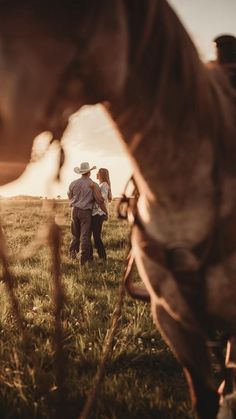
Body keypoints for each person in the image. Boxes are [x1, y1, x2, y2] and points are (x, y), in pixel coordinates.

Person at [67, 162, 106, 265]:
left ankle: (72, 256)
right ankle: (83, 260)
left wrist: (74, 202)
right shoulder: (93, 184)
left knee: (75, 235)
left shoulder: (73, 183)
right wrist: (105, 211)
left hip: (74, 210)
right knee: (85, 235)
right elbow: (99, 200)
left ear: (81, 172)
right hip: (86, 212)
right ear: (89, 172)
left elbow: (69, 196)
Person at [91, 168, 112, 260]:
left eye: (98, 173)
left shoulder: (104, 185)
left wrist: (94, 189)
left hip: (98, 213)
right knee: (96, 235)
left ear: (101, 175)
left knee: (96, 236)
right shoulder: (101, 185)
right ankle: (101, 255)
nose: (96, 174)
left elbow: (101, 199)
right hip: (97, 213)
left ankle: (103, 256)